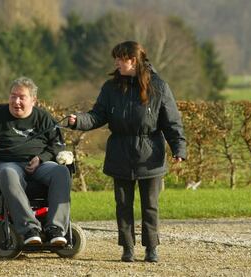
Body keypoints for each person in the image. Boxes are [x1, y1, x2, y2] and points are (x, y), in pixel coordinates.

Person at [68, 41, 186, 262]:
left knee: (150, 205)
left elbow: (172, 121)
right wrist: (78, 121)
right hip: (120, 152)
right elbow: (97, 116)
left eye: (120, 59)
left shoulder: (158, 86)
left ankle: (152, 248)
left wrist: (179, 147)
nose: (116, 63)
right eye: (116, 59)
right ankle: (127, 248)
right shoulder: (110, 87)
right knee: (123, 205)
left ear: (133, 60)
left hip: (150, 154)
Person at [0, 76, 71, 246]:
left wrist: (41, 159)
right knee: (7, 172)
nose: (16, 101)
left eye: (22, 97)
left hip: (40, 165)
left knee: (61, 171)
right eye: (13, 96)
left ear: (33, 100)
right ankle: (30, 229)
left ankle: (56, 229)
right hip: (8, 163)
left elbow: (58, 145)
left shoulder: (44, 118)